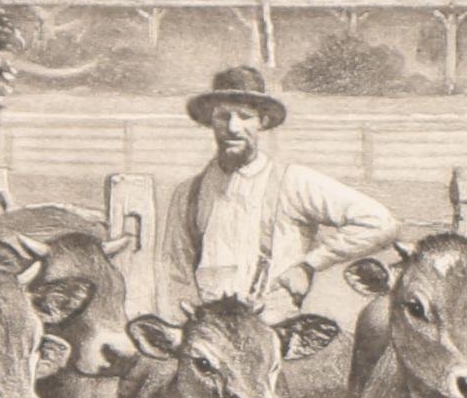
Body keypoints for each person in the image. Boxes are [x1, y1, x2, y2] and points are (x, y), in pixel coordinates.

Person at [158, 65, 397, 318]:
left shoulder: (292, 182)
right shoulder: (188, 194)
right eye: (223, 116)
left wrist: (309, 265)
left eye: (244, 116)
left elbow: (380, 222)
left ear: (262, 121)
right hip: (211, 332)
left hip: (274, 327)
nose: (233, 128)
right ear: (210, 121)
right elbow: (176, 273)